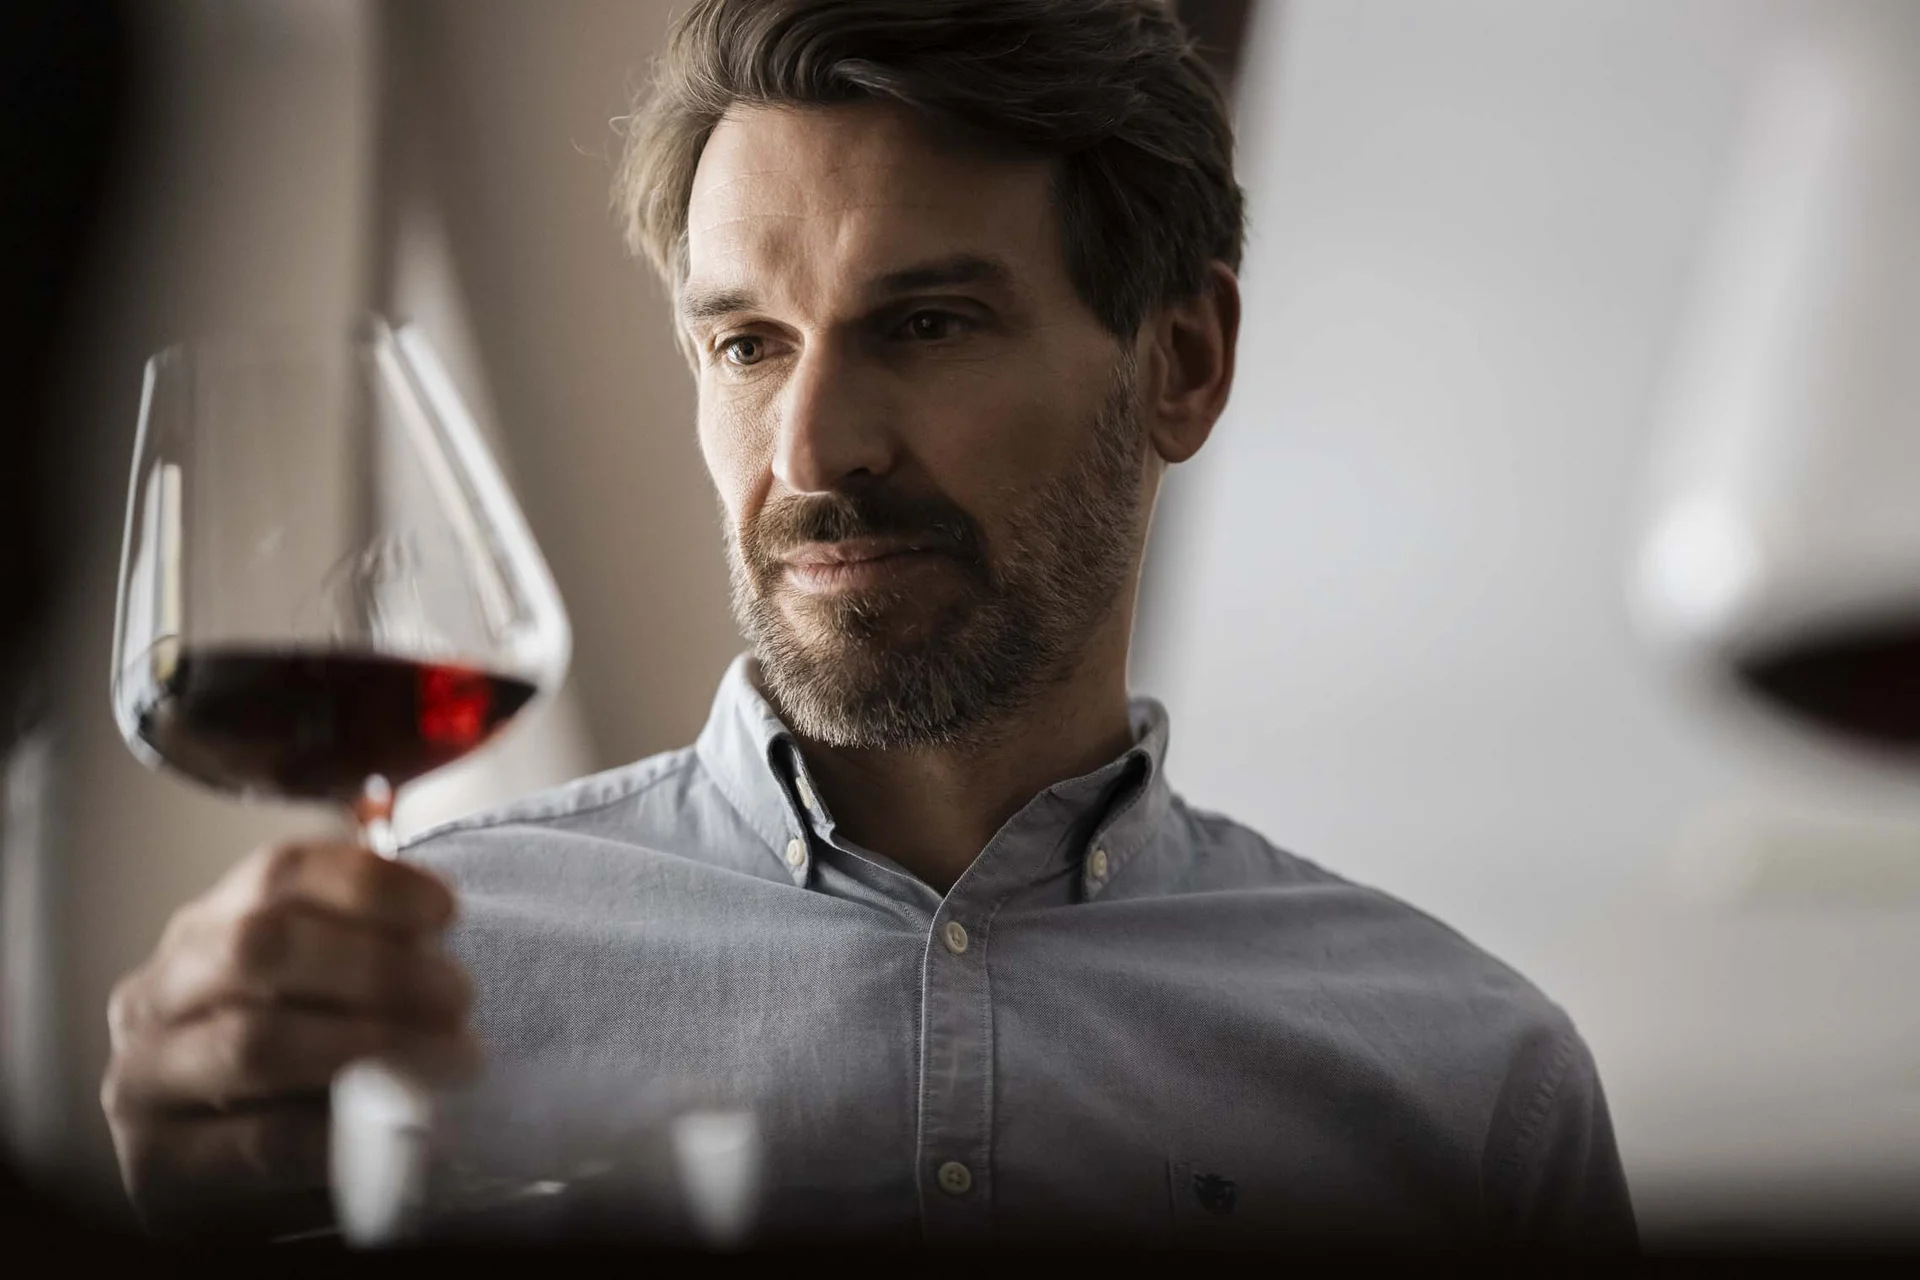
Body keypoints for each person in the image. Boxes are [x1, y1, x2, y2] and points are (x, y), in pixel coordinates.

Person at [101, 0, 1635, 1247]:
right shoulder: (391, 1011)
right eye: (749, 343)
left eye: (927, 324)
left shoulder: (1470, 1083)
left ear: (1182, 360)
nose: (815, 449)